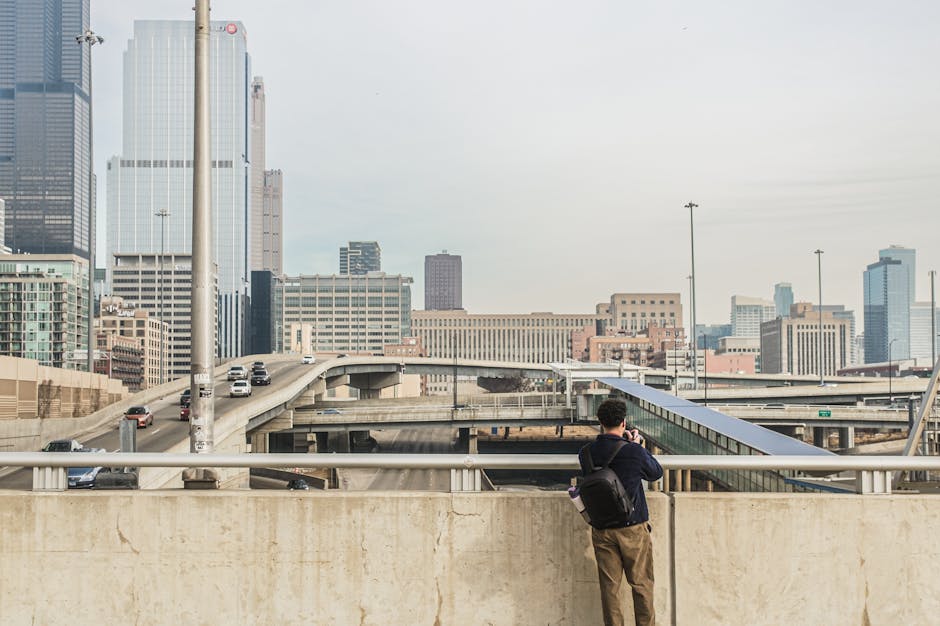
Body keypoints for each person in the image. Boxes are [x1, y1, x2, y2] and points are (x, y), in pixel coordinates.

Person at [579, 399, 663, 626]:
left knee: (610, 588)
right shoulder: (633, 451)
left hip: (602, 528)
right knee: (641, 585)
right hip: (633, 527)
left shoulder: (586, 453)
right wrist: (637, 445)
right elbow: (655, 473)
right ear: (624, 422)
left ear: (600, 422)